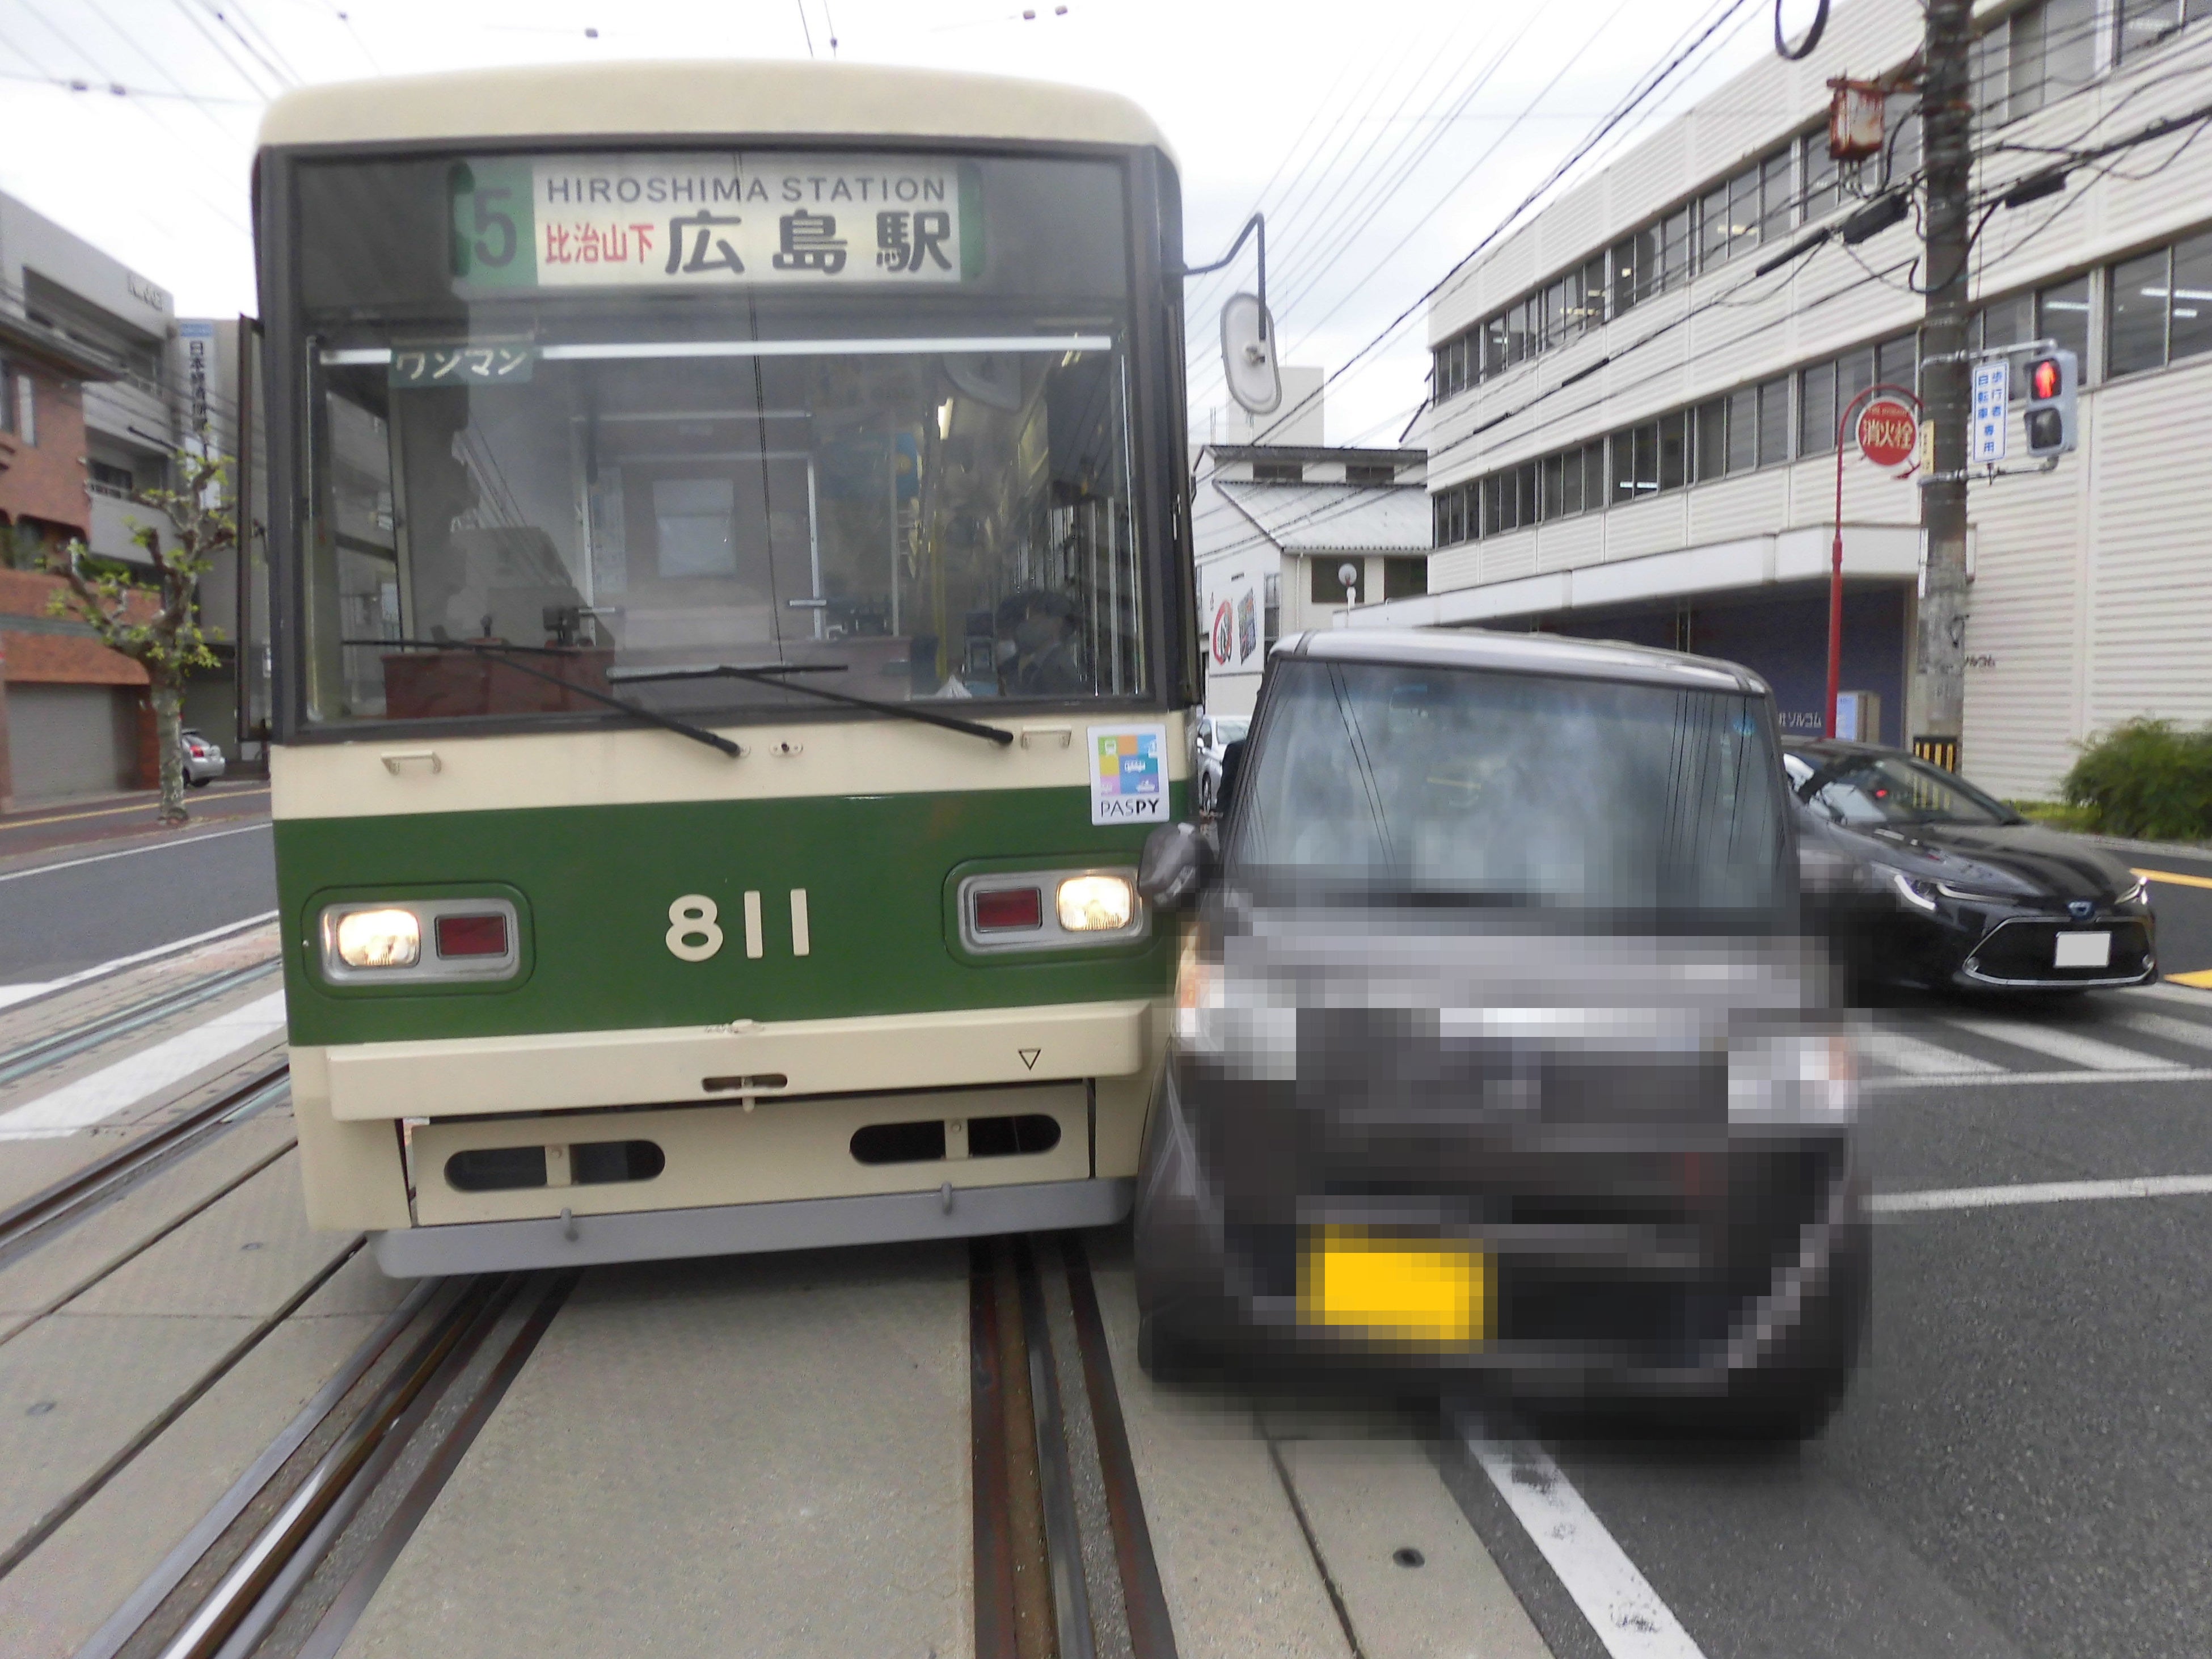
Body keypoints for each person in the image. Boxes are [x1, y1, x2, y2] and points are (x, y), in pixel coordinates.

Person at [1000, 589, 1086, 696]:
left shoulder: (1058, 672)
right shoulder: (1038, 665)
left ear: (1056, 623)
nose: (1027, 623)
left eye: (1032, 616)